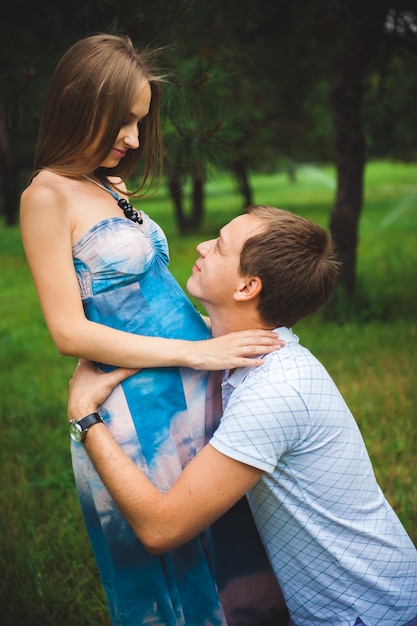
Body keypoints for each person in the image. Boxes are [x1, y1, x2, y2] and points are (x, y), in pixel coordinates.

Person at [19, 34, 285, 626]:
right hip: (138, 412)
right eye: (123, 122)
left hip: (192, 393)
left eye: (139, 123)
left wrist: (213, 354)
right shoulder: (45, 196)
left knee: (232, 558)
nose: (135, 139)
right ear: (81, 103)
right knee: (173, 580)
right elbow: (68, 332)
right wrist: (201, 354)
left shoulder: (106, 184)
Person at [67, 205, 417, 626]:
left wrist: (85, 417)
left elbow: (161, 529)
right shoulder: (238, 349)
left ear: (247, 286)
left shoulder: (275, 390)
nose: (200, 246)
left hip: (373, 613)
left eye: (218, 246)